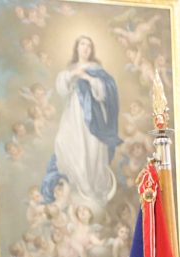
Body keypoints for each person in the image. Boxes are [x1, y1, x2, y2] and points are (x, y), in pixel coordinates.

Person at [41, 35, 122, 213]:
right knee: (64, 143)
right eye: (82, 44)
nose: (85, 48)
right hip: (73, 115)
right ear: (76, 47)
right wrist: (74, 74)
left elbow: (104, 92)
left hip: (93, 117)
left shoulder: (97, 70)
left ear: (91, 50)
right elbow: (62, 88)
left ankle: (91, 192)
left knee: (91, 149)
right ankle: (76, 189)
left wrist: (89, 78)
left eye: (89, 45)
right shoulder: (70, 70)